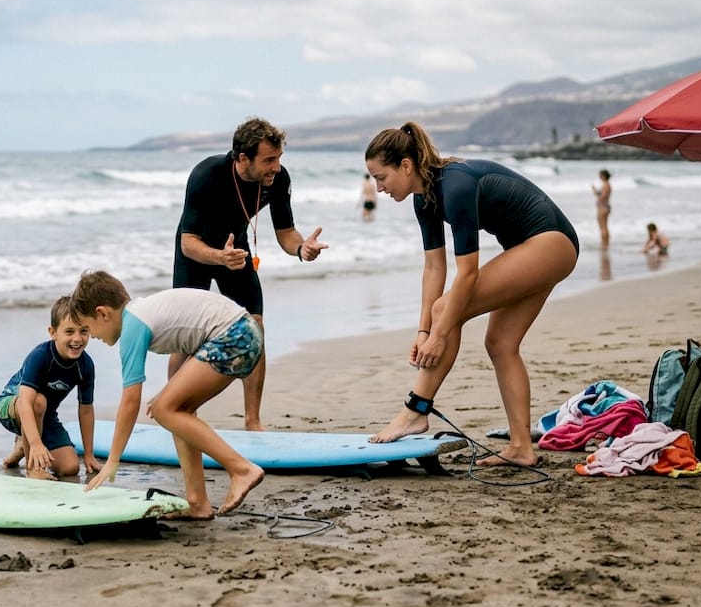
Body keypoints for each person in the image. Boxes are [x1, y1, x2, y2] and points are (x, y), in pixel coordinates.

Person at [363, 122, 579, 468]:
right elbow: (435, 269)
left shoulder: (456, 186)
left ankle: (415, 411)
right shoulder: (425, 199)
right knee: (500, 343)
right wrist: (424, 331)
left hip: (549, 243)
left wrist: (440, 334)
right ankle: (522, 447)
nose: (379, 187)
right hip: (538, 248)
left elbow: (467, 275)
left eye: (381, 177)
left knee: (449, 308)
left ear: (406, 166)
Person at [170, 117, 328, 431]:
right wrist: (218, 257)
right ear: (243, 158)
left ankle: (252, 420)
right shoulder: (207, 174)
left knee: (255, 329)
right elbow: (187, 242)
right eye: (269, 160)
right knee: (186, 341)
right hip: (196, 254)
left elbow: (286, 232)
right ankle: (175, 413)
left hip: (237, 254)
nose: (276, 167)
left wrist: (301, 250)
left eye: (279, 158)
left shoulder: (278, 179)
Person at [70, 270, 265, 518]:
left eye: (88, 328)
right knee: (175, 409)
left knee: (164, 408)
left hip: (234, 334)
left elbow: (130, 401)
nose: (92, 337)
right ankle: (198, 503)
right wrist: (168, 393)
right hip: (243, 332)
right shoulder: (142, 313)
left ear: (102, 313)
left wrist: (112, 460)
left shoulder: (133, 326)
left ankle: (241, 469)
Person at [0, 296, 100, 479]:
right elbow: (25, 403)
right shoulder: (40, 356)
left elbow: (85, 410)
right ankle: (33, 468)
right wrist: (36, 444)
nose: (77, 339)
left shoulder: (85, 365)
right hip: (11, 406)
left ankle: (23, 445)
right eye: (69, 332)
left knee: (70, 468)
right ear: (53, 332)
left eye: (83, 331)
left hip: (45, 415)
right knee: (39, 401)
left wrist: (89, 455)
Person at [591, 169, 612, 250]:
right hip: (605, 206)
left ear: (603, 176)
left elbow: (603, 197)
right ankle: (605, 243)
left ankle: (604, 244)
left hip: (603, 207)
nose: (599, 177)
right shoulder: (607, 185)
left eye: (600, 175)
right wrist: (595, 191)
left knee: (603, 227)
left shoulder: (605, 185)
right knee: (604, 226)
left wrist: (597, 195)